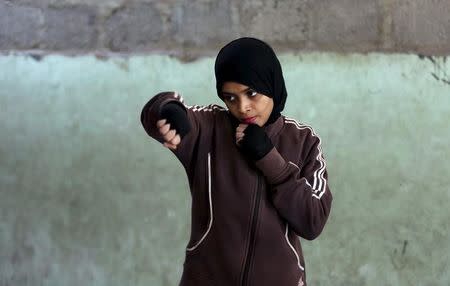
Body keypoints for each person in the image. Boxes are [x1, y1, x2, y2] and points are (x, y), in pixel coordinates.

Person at [140, 37, 332, 286]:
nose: (243, 107)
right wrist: (168, 113)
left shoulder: (304, 142)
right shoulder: (208, 129)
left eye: (251, 94)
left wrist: (270, 160)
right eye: (230, 98)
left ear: (271, 84)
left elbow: (313, 222)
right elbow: (161, 109)